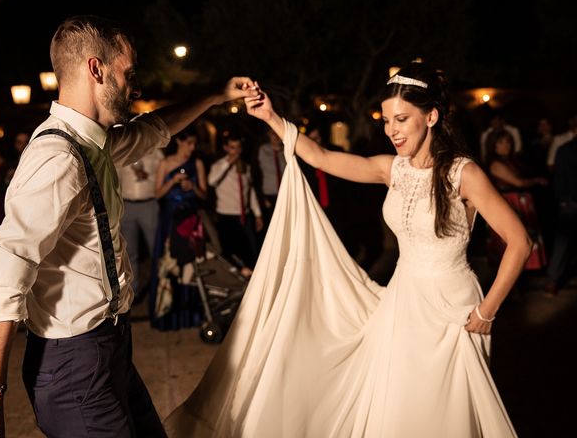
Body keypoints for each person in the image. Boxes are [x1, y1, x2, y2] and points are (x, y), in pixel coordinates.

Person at [165, 62, 530, 437]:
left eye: (402, 120)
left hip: (453, 308)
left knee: (446, 414)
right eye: (387, 121)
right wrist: (272, 117)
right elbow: (322, 158)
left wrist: (488, 310)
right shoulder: (393, 169)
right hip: (404, 303)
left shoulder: (464, 174)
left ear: (432, 116)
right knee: (403, 407)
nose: (392, 131)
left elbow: (519, 242)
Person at [0, 15, 257, 438]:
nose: (135, 86)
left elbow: (154, 129)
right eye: (129, 72)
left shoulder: (93, 143)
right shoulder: (58, 159)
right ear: (96, 68)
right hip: (73, 366)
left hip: (109, 349)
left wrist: (214, 96)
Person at [148, 126, 207, 330]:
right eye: (189, 143)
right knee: (169, 265)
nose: (192, 148)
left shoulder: (197, 163)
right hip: (170, 219)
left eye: (194, 144)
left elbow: (205, 196)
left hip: (190, 220)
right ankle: (168, 313)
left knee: (190, 267)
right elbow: (157, 194)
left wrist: (193, 187)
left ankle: (190, 314)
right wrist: (172, 181)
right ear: (179, 142)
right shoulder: (165, 163)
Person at [484, 129, 547, 274]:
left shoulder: (512, 161)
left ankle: (521, 277)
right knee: (512, 242)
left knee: (525, 239)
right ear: (493, 146)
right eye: (501, 142)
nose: (507, 145)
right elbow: (519, 183)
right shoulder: (496, 164)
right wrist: (537, 180)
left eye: (508, 141)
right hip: (510, 204)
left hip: (520, 202)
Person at [208, 131, 263, 269]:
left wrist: (258, 214)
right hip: (226, 217)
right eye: (232, 147)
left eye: (238, 147)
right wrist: (228, 163)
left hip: (245, 216)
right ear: (226, 148)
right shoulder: (218, 166)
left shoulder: (246, 167)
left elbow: (250, 192)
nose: (236, 151)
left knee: (252, 252)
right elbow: (211, 181)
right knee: (231, 255)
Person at [116, 147, 164, 299]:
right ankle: (134, 292)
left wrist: (147, 177)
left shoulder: (155, 152)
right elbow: (115, 181)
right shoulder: (122, 152)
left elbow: (163, 176)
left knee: (156, 249)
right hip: (127, 206)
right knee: (130, 252)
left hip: (149, 204)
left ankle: (161, 289)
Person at [544, 120, 577, 295]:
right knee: (562, 242)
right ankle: (552, 280)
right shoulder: (565, 149)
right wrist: (563, 199)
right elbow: (558, 176)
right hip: (570, 201)